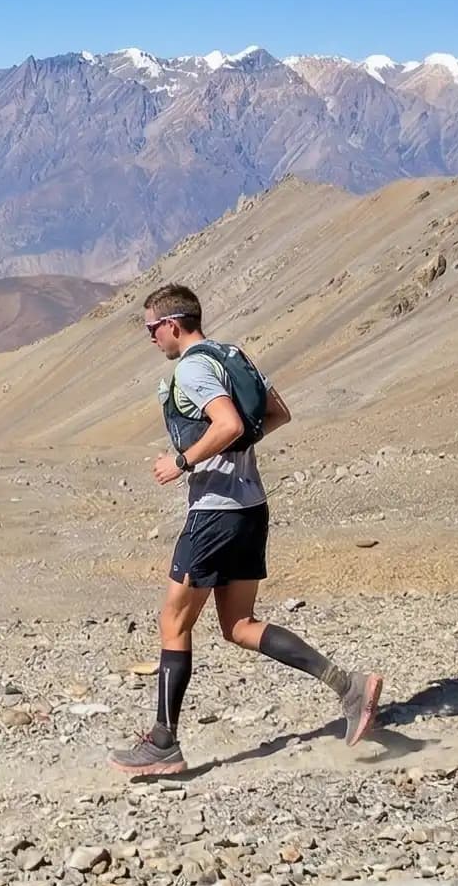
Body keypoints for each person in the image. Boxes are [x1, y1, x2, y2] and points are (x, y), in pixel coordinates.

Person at [114, 284, 381, 777]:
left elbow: (229, 422)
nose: (151, 338)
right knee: (238, 625)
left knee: (173, 622)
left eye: (152, 329)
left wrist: (182, 461)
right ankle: (349, 687)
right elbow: (275, 413)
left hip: (214, 513)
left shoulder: (193, 367)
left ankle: (163, 742)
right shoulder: (232, 355)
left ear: (173, 324)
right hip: (250, 506)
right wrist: (230, 449)